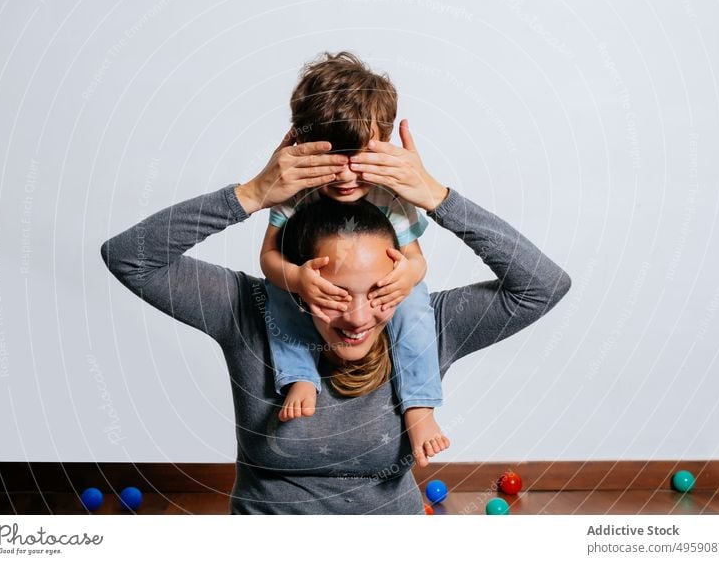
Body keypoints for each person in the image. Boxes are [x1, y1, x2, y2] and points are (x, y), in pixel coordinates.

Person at [100, 122, 571, 514]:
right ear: (299, 279)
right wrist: (250, 194)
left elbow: (542, 285)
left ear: (402, 278)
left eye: (379, 292)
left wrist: (436, 196)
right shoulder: (250, 310)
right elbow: (129, 258)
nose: (359, 317)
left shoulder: (426, 325)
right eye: (336, 294)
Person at [260, 51, 446, 467]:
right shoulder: (295, 189)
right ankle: (299, 376)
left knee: (416, 301)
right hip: (315, 292)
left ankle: (419, 405)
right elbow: (268, 257)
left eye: (358, 161)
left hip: (381, 293)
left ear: (383, 147)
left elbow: (417, 261)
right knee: (279, 290)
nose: (345, 178)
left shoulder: (389, 191)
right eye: (331, 161)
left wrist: (406, 275)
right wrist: (295, 277)